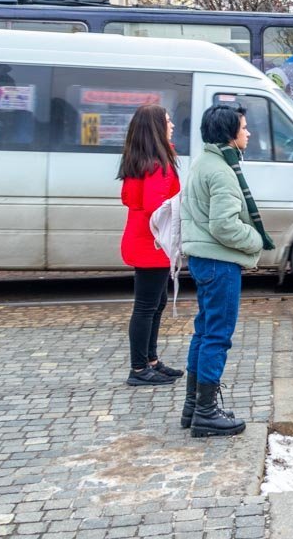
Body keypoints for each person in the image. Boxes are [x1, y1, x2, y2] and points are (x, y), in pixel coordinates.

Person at [181, 103, 275, 438]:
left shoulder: (205, 162)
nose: (248, 132)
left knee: (203, 332)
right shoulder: (221, 170)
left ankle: (193, 407)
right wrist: (256, 241)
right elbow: (224, 225)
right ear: (229, 133)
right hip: (220, 262)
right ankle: (206, 413)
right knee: (217, 336)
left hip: (204, 260)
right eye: (244, 127)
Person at [117, 104, 183, 387]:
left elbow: (130, 199)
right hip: (152, 242)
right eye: (168, 121)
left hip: (143, 238)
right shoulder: (159, 165)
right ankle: (139, 368)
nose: (172, 125)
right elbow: (156, 207)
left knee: (156, 303)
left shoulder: (140, 161)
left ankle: (150, 361)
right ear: (157, 127)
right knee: (146, 306)